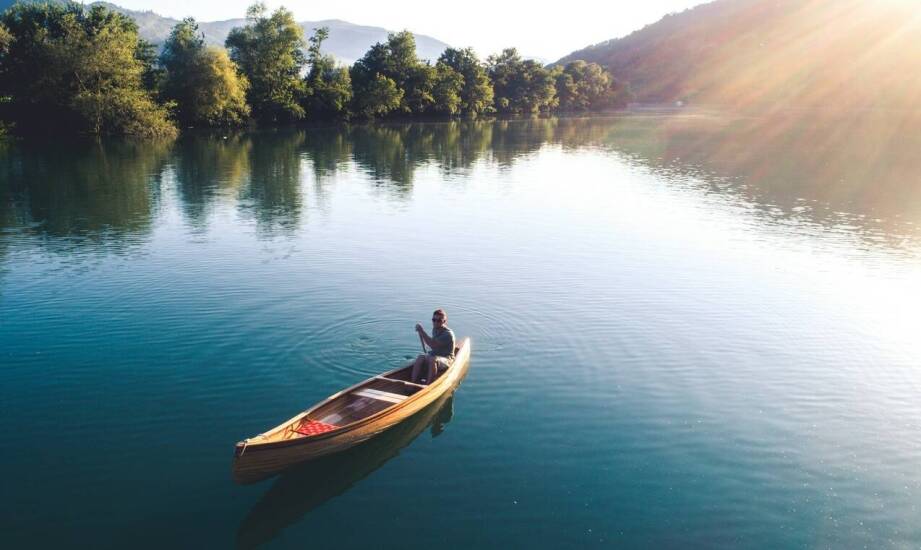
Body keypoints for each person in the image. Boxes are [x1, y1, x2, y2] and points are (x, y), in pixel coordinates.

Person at [411, 308, 455, 384]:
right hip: (435, 355)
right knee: (420, 357)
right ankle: (412, 383)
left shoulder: (448, 334)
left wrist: (422, 331)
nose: (435, 322)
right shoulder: (435, 329)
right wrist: (421, 332)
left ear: (444, 321)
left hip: (447, 359)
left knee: (433, 359)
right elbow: (433, 345)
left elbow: (432, 344)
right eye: (434, 320)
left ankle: (428, 386)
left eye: (439, 320)